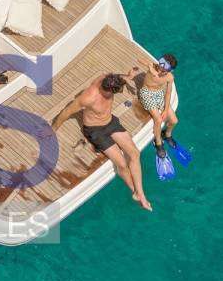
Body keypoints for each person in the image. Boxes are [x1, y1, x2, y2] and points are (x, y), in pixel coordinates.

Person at [50, 73, 151, 211]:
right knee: (122, 164)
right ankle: (135, 191)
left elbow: (120, 77)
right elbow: (67, 112)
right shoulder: (89, 97)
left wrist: (128, 76)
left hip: (110, 122)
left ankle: (141, 193)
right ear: (108, 89)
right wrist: (52, 130)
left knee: (135, 153)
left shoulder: (109, 79)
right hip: (95, 130)